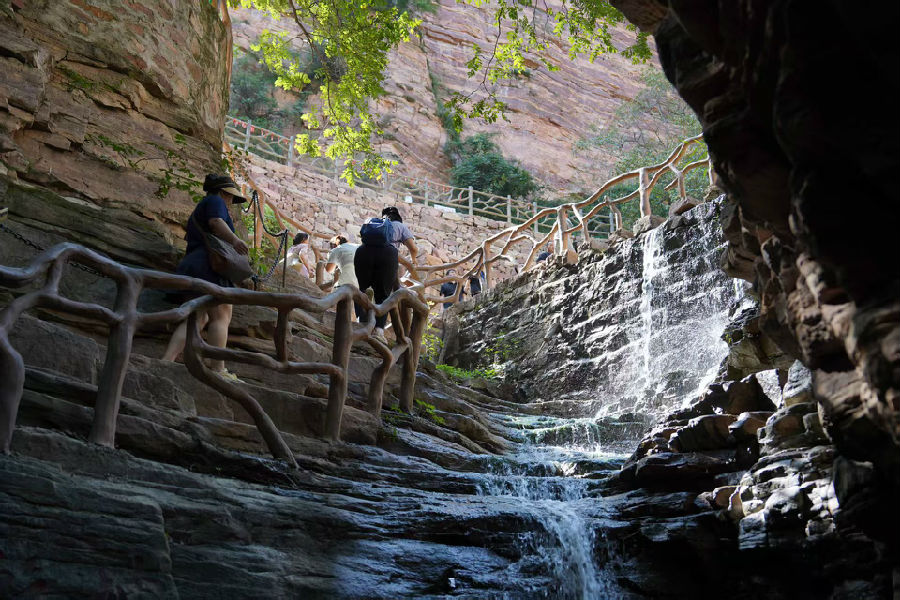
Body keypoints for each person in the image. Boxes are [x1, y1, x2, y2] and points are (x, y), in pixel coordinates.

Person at [162, 174, 249, 380]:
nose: (230, 203)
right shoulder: (215, 201)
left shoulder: (202, 205)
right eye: (230, 197)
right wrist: (235, 240)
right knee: (221, 315)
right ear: (223, 193)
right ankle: (218, 367)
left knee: (199, 317)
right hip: (210, 267)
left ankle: (167, 359)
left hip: (195, 264)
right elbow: (216, 222)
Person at [354, 206, 416, 342]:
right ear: (398, 216)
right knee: (384, 295)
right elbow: (413, 248)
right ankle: (378, 331)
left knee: (362, 290)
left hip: (363, 252)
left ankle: (361, 324)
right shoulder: (400, 226)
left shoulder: (375, 225)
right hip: (388, 255)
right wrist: (413, 261)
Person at [325, 234, 363, 320]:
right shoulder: (356, 246)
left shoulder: (336, 250)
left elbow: (329, 269)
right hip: (364, 276)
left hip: (349, 277)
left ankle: (335, 317)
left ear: (334, 245)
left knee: (335, 292)